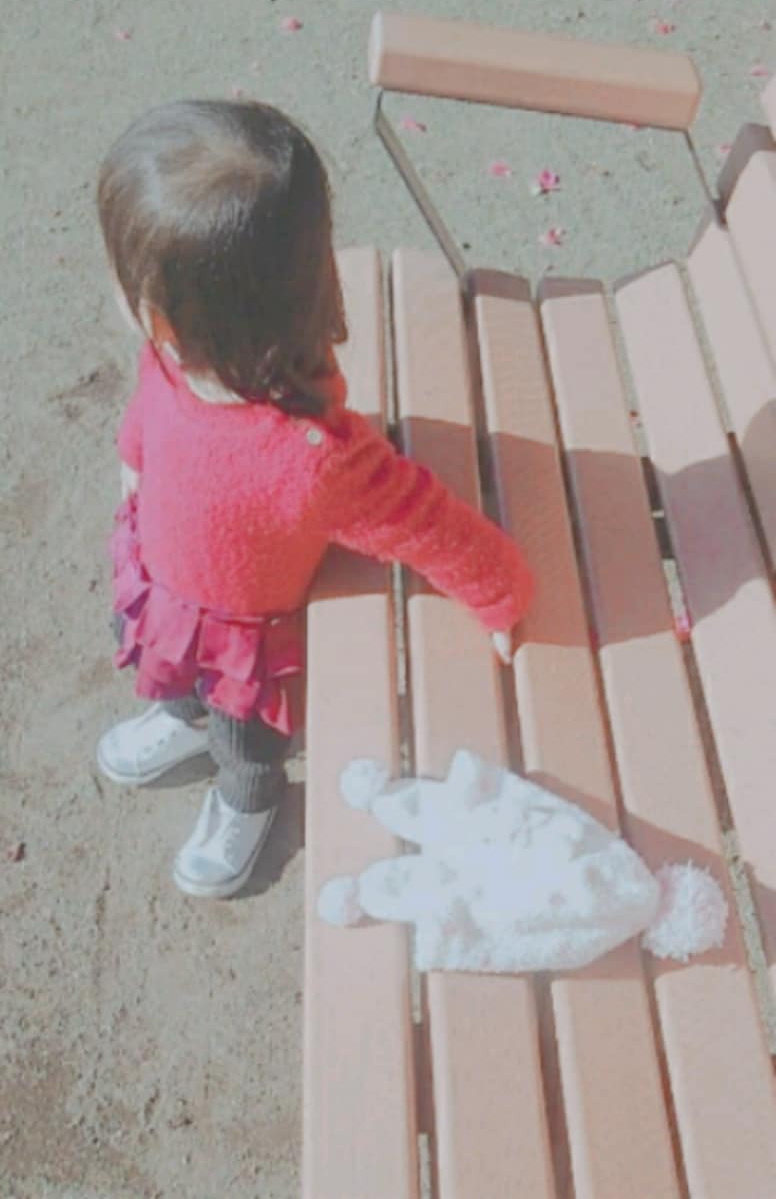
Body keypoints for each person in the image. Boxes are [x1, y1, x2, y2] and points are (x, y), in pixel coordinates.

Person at [93, 98, 534, 901]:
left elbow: (424, 522)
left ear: (161, 320)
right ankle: (183, 717)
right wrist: (134, 461)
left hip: (242, 636)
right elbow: (145, 415)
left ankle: (248, 799)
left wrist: (499, 593)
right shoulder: (172, 364)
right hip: (171, 589)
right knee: (171, 670)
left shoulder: (315, 457)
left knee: (245, 739)